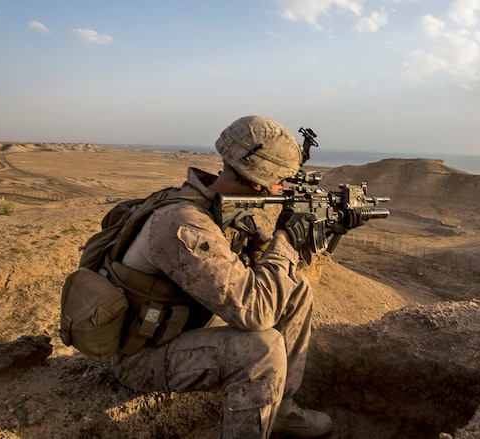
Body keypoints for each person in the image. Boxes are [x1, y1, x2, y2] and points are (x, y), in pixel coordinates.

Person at [110, 115, 339, 438]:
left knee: (295, 289)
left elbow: (264, 275)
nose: (283, 189)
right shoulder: (185, 223)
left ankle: (281, 410)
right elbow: (256, 311)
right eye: (282, 181)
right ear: (259, 184)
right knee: (263, 348)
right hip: (142, 356)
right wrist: (284, 240)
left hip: (181, 330)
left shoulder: (213, 206)